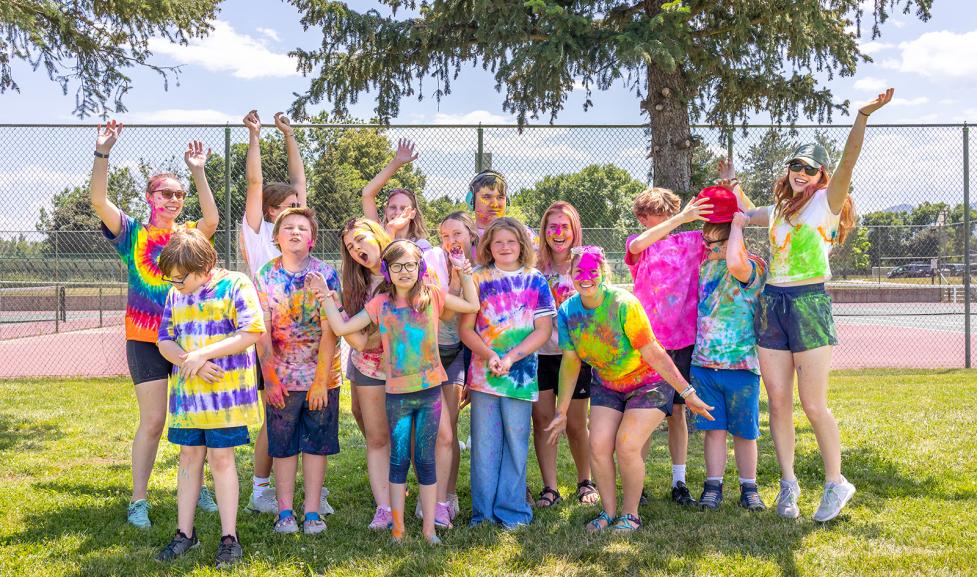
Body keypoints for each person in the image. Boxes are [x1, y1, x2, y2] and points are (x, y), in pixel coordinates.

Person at [745, 87, 894, 522]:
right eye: (795, 165)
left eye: (810, 168)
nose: (801, 173)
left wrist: (862, 117)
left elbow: (849, 162)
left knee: (812, 404)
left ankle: (835, 482)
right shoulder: (778, 209)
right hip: (772, 303)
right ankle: (788, 485)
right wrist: (734, 193)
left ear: (821, 174)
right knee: (777, 402)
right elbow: (750, 213)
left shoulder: (828, 203)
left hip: (809, 303)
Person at [90, 120, 220, 528]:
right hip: (145, 340)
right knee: (154, 421)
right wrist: (103, 151)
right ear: (150, 197)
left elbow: (212, 220)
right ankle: (138, 501)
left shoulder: (187, 236)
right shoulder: (132, 233)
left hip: (190, 339)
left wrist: (198, 171)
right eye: (166, 193)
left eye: (179, 195)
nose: (174, 200)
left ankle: (198, 490)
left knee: (193, 418)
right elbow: (97, 200)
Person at [318, 240, 480, 544]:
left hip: (430, 392)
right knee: (399, 460)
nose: (404, 271)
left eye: (410, 265)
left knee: (426, 459)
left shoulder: (432, 295)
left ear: (420, 268)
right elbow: (342, 328)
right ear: (387, 271)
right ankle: (398, 528)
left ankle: (430, 528)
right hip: (397, 395)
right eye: (397, 266)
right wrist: (328, 299)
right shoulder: (380, 304)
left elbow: (471, 305)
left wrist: (466, 275)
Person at [545, 246, 714, 533]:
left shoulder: (624, 304)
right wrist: (561, 411)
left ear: (604, 274)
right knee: (597, 445)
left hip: (649, 385)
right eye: (579, 272)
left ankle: (631, 514)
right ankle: (608, 512)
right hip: (608, 385)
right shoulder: (567, 312)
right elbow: (571, 364)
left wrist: (687, 393)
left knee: (626, 444)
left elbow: (654, 352)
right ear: (570, 275)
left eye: (592, 272)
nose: (586, 278)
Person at [240, 110, 333, 517]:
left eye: (300, 210)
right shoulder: (259, 232)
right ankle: (264, 488)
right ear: (274, 214)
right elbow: (256, 182)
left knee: (309, 419)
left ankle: (313, 493)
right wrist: (256, 136)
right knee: (274, 420)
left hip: (311, 348)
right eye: (290, 207)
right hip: (271, 338)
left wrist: (290, 135)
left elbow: (300, 182)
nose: (297, 210)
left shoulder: (308, 249)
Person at [154, 229, 265, 568]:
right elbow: (164, 340)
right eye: (172, 280)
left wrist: (200, 355)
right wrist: (192, 362)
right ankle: (184, 534)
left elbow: (251, 330)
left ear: (205, 265)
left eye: (181, 279)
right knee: (189, 458)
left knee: (221, 460)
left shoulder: (236, 285)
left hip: (225, 398)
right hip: (189, 399)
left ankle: (229, 538)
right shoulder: (176, 294)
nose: (177, 285)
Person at [460, 217, 555, 529]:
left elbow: (542, 331)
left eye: (511, 242)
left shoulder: (535, 280)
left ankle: (512, 510)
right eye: (498, 242)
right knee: (485, 443)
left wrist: (511, 357)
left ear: (522, 246)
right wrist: (490, 355)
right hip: (485, 373)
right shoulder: (476, 278)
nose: (504, 247)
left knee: (516, 440)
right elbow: (466, 329)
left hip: (520, 374)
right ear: (488, 246)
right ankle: (483, 513)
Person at [253, 207, 342, 535]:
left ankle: (313, 512)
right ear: (276, 238)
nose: (294, 233)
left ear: (312, 239)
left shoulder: (325, 274)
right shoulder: (265, 275)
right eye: (287, 228)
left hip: (321, 379)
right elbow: (261, 331)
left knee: (316, 446)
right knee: (284, 446)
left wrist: (321, 382)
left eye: (301, 228)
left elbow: (330, 331)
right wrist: (270, 379)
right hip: (281, 382)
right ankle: (286, 511)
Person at [686, 189, 767, 512]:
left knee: (745, 433)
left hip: (741, 367)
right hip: (705, 365)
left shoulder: (752, 267)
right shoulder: (705, 267)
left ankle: (749, 487)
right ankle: (713, 485)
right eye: (706, 244)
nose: (708, 249)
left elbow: (735, 259)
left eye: (713, 244)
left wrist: (737, 227)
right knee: (714, 430)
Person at [532, 201, 597, 507]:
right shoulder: (533, 266)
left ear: (574, 230)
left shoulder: (585, 262)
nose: (558, 233)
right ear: (544, 231)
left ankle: (586, 481)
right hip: (540, 354)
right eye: (552, 227)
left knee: (574, 422)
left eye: (564, 227)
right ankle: (550, 487)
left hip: (575, 356)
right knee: (544, 419)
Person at [337, 217, 396, 529]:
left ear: (376, 235)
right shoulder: (356, 285)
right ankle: (384, 508)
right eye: (350, 247)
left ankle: (432, 501)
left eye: (360, 239)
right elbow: (356, 339)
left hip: (409, 369)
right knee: (376, 437)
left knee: (415, 438)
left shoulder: (405, 264)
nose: (356, 248)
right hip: (369, 368)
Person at [430, 211, 481, 524]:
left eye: (457, 234)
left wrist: (466, 276)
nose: (451, 242)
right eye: (445, 236)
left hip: (458, 356)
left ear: (471, 236)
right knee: (436, 430)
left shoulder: (480, 270)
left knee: (448, 428)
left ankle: (447, 497)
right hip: (430, 355)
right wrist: (453, 276)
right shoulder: (434, 265)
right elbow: (445, 314)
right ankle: (433, 495)